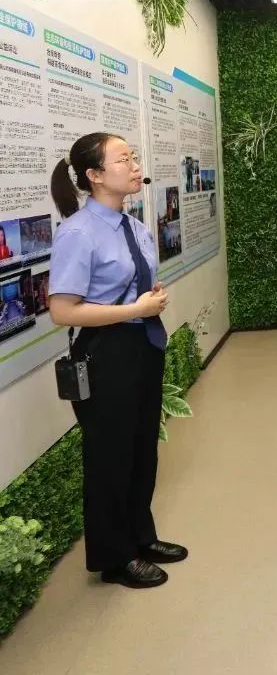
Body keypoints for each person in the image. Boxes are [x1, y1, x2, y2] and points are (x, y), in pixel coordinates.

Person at [47, 133, 183, 589]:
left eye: (133, 157)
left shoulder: (134, 226)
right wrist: (133, 310)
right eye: (123, 159)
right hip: (106, 353)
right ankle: (114, 557)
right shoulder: (78, 232)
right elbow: (62, 311)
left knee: (142, 449)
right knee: (110, 457)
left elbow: (134, 286)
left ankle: (141, 537)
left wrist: (148, 299)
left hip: (143, 344)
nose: (134, 165)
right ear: (95, 175)